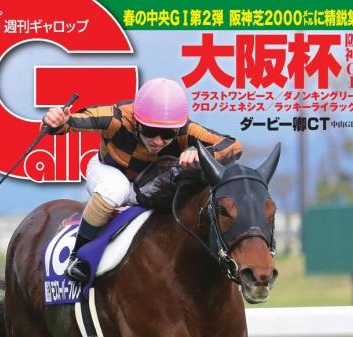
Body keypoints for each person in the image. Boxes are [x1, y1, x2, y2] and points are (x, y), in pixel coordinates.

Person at [43, 77, 242, 282]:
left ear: (178, 128)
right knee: (115, 189)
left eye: (167, 134)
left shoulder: (185, 129)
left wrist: (201, 153)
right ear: (137, 122)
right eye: (150, 131)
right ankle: (78, 256)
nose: (158, 141)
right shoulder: (116, 118)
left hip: (147, 184)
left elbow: (233, 145)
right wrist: (56, 120)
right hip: (109, 170)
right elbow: (68, 123)